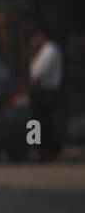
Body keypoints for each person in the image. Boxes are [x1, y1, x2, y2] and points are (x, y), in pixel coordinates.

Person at [28, 25, 64, 161]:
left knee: (42, 121)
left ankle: (45, 148)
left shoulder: (50, 51)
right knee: (38, 121)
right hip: (42, 90)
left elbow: (39, 74)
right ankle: (39, 147)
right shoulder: (43, 50)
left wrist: (31, 89)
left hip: (45, 90)